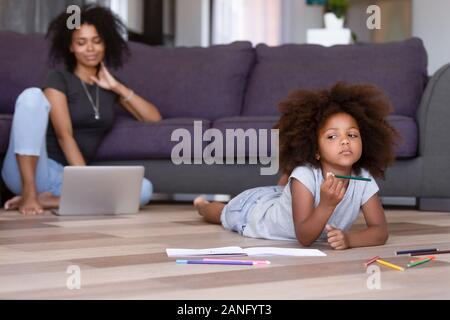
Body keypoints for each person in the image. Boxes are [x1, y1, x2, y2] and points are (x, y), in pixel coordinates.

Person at [194, 82, 399, 250]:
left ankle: (285, 185)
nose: (345, 141)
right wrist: (326, 204)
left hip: (285, 197)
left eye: (352, 135)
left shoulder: (363, 178)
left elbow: (380, 231)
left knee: (288, 190)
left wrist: (350, 240)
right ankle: (201, 205)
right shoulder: (305, 175)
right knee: (222, 213)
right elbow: (305, 238)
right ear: (316, 150)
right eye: (332, 136)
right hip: (253, 211)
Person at [1, 5, 162, 215]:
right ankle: (30, 194)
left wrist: (116, 87)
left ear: (106, 44)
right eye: (81, 42)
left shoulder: (109, 87)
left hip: (65, 178)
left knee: (143, 189)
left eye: (97, 41)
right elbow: (64, 135)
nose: (90, 49)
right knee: (32, 96)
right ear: (71, 47)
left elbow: (153, 118)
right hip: (36, 170)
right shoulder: (58, 78)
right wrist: (86, 182)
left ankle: (50, 201)